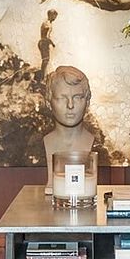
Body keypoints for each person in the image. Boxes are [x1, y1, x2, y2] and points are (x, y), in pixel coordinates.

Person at [41, 65, 99, 194]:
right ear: (48, 102)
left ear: (88, 102)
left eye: (77, 97)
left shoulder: (100, 148)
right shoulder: (34, 147)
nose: (70, 105)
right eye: (62, 98)